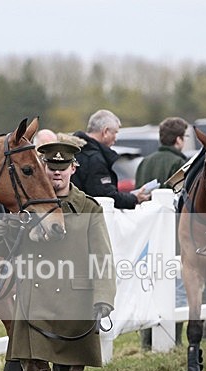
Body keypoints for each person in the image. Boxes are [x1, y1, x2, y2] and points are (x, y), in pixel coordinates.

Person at [0, 141, 116, 371]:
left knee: (71, 368)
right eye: (51, 168)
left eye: (63, 169)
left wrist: (103, 299)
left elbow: (102, 257)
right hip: (36, 297)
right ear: (43, 169)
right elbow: (4, 250)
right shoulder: (28, 206)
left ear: (74, 169)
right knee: (35, 365)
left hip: (74, 299)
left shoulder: (88, 207)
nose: (57, 174)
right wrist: (5, 228)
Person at [134, 117, 189, 349]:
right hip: (172, 234)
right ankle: (171, 339)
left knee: (149, 288)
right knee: (172, 289)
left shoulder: (144, 162)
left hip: (146, 234)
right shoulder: (181, 164)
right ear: (178, 139)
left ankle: (147, 341)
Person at [72, 109, 151, 209]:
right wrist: (134, 198)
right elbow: (107, 197)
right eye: (115, 133)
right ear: (105, 132)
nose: (116, 138)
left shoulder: (74, 150)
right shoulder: (95, 159)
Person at [135, 116, 189, 189]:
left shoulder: (145, 161)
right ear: (178, 139)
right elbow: (181, 194)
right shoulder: (179, 163)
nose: (186, 140)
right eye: (186, 136)